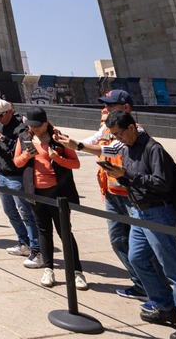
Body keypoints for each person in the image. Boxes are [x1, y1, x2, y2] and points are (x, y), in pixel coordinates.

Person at [103, 109, 176, 339]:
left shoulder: (153, 148)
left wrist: (127, 174)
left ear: (132, 128)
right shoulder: (128, 148)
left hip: (159, 213)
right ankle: (165, 305)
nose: (117, 139)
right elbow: (131, 176)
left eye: (119, 134)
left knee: (173, 269)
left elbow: (162, 183)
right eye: (114, 135)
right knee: (137, 258)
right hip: (139, 213)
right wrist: (119, 174)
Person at [55, 89, 159, 302]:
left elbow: (110, 150)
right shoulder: (105, 128)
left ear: (127, 109)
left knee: (143, 245)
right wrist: (67, 142)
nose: (106, 109)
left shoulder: (135, 131)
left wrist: (77, 145)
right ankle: (142, 283)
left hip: (133, 195)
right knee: (119, 240)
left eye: (112, 106)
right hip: (112, 193)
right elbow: (90, 144)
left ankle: (156, 286)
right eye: (105, 105)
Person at [13, 106, 86, 290]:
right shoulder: (24, 138)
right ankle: (48, 269)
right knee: (44, 232)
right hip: (36, 192)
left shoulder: (59, 139)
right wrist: (25, 156)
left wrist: (58, 158)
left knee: (64, 232)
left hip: (58, 193)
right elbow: (17, 162)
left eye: (38, 125)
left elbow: (75, 163)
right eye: (31, 125)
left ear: (46, 123)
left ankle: (77, 272)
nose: (35, 129)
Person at [0, 98, 41, 266]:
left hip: (16, 176)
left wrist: (2, 138)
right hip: (1, 174)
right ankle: (23, 242)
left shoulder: (22, 129)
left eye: (1, 115)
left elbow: (23, 151)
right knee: (10, 211)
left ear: (10, 112)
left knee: (25, 212)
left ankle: (37, 249)